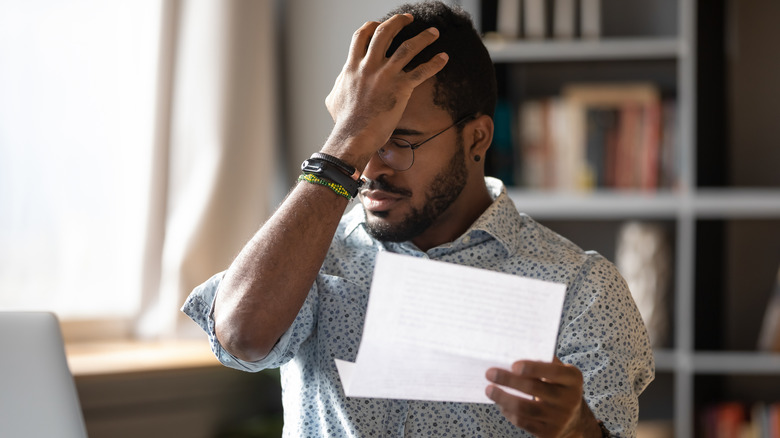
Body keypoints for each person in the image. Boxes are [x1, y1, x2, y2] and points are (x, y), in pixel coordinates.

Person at [182, 2, 654, 437]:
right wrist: (344, 143)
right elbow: (241, 337)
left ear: (476, 140)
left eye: (399, 141)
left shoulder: (582, 288)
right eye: (362, 139)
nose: (369, 169)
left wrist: (576, 428)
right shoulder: (312, 258)